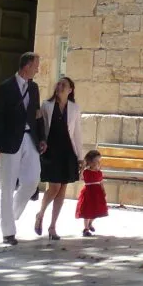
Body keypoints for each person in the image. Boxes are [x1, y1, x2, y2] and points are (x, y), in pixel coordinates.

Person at [0, 50, 46, 244]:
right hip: (9, 141)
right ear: (27, 66)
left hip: (29, 138)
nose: (38, 69)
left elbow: (37, 115)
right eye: (36, 66)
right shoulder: (6, 88)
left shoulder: (34, 88)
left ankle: (11, 214)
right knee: (7, 185)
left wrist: (42, 138)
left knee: (32, 179)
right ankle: (8, 231)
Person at [35, 76, 83, 238]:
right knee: (54, 187)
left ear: (70, 90)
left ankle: (52, 227)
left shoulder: (75, 108)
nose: (60, 86)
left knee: (62, 190)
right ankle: (40, 214)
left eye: (65, 85)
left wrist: (80, 157)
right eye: (59, 84)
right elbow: (41, 128)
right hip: (52, 151)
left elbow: (77, 134)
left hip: (68, 152)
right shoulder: (46, 106)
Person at [74, 149, 109, 237]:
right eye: (95, 161)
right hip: (88, 193)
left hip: (97, 193)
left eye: (98, 161)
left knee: (97, 210)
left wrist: (104, 191)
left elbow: (101, 183)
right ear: (89, 161)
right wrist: (82, 168)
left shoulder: (99, 173)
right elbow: (80, 178)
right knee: (87, 210)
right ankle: (86, 228)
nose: (97, 163)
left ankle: (90, 223)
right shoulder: (86, 172)